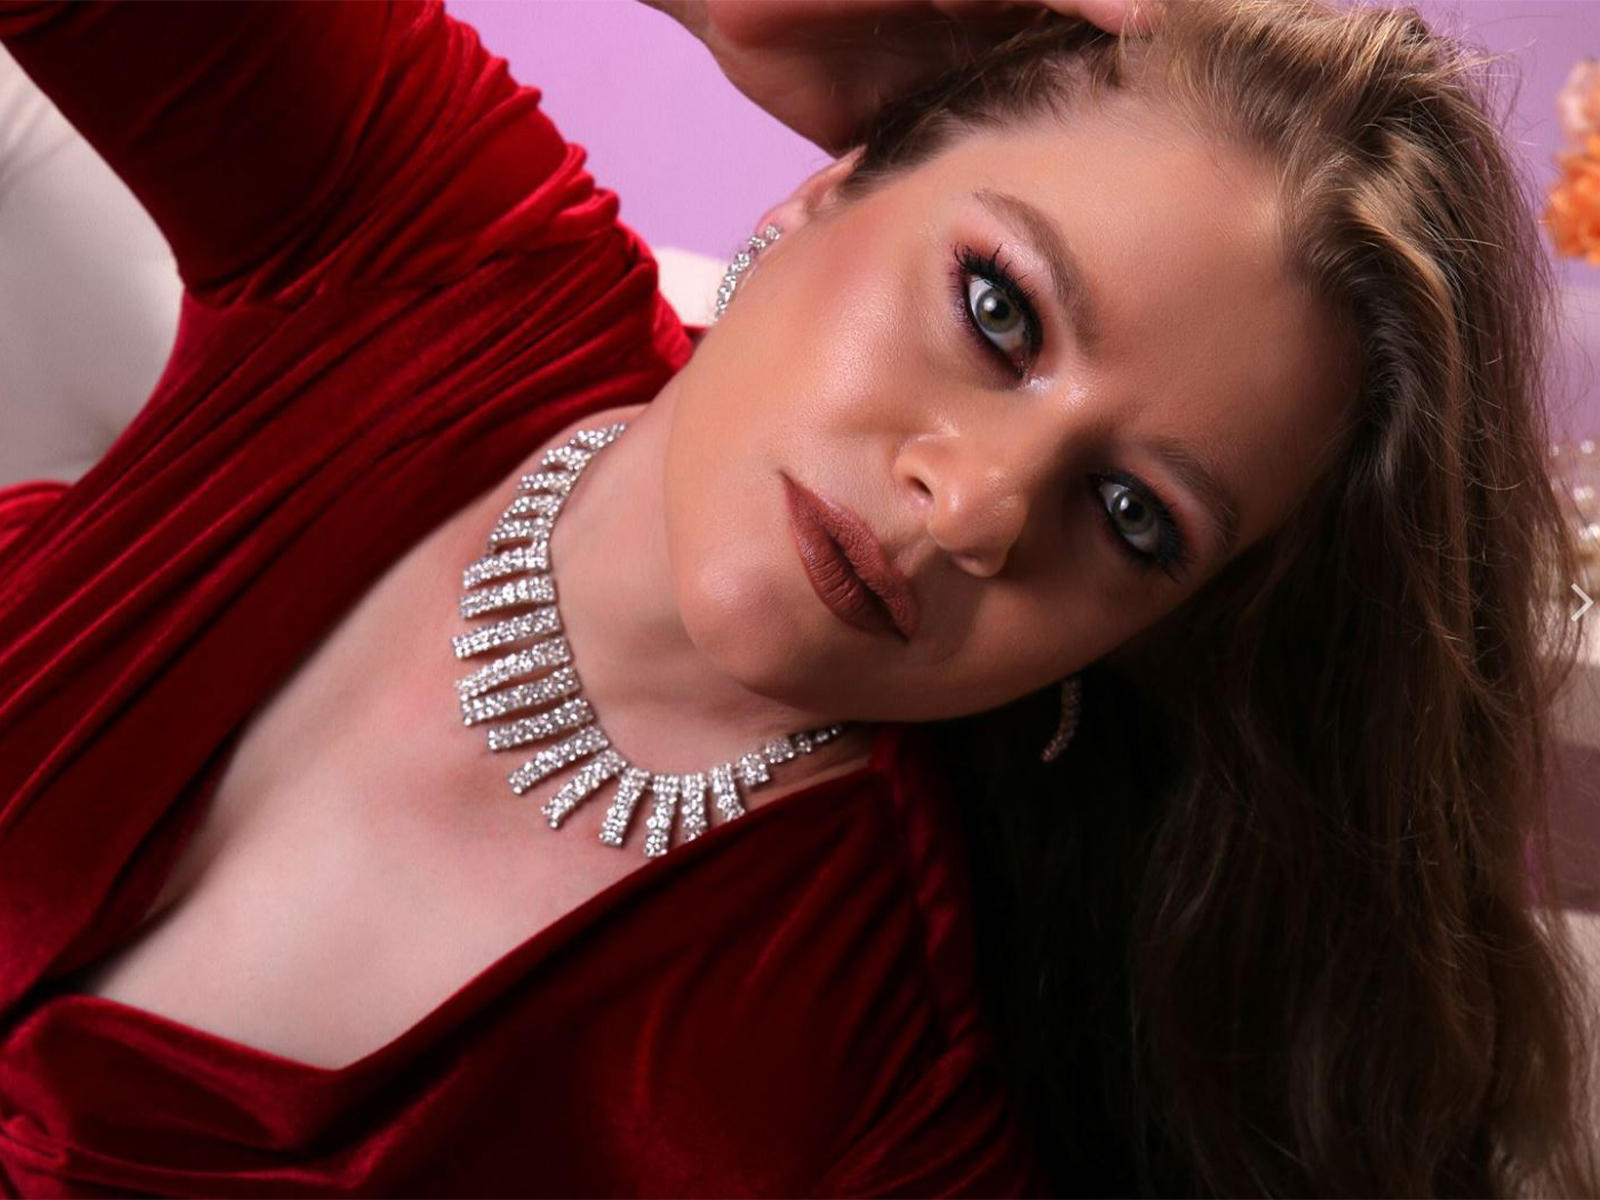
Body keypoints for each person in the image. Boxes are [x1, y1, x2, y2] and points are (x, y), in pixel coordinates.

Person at [0, 0, 1590, 1195]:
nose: (977, 508)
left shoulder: (851, 1102)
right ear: (823, 196)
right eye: (999, 311)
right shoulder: (443, 257)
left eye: (1130, 517)